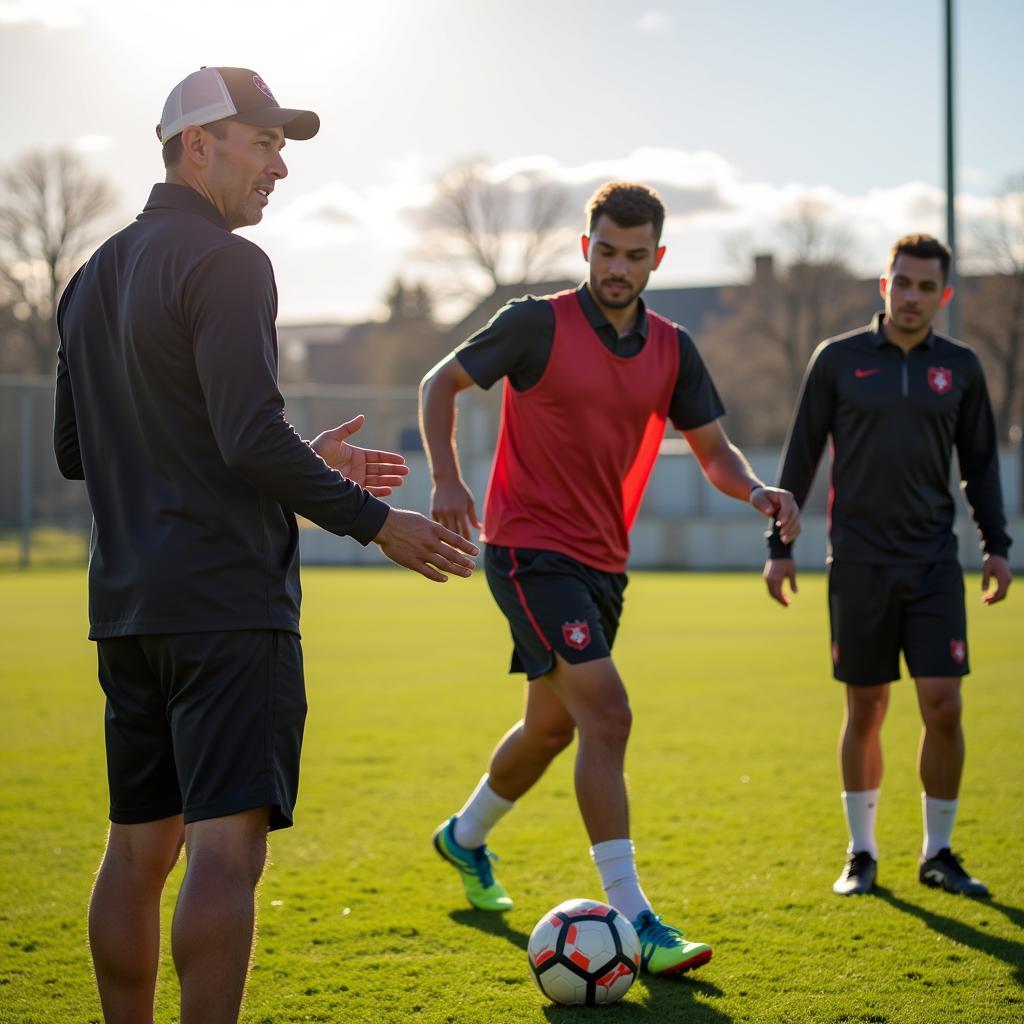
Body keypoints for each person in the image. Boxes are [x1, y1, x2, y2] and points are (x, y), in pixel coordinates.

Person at [54, 66, 477, 1024]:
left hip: (125, 612)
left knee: (135, 849)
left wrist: (301, 459)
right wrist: (379, 524)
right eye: (265, 142)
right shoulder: (231, 263)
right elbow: (246, 435)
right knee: (224, 852)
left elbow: (79, 451)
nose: (280, 166)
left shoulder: (88, 279)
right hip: (226, 608)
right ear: (196, 144)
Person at [419, 181, 800, 975]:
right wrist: (449, 480)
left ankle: (463, 837)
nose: (617, 267)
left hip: (602, 566)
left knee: (553, 729)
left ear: (657, 257)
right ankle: (636, 919)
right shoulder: (535, 323)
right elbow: (438, 385)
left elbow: (713, 451)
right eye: (605, 250)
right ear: (585, 245)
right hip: (528, 551)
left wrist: (757, 488)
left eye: (634, 255)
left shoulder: (672, 348)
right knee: (611, 715)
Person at [763, 234, 1012, 898]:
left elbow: (981, 463)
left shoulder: (958, 367)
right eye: (902, 283)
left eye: (926, 288)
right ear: (885, 284)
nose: (911, 297)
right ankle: (862, 853)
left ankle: (939, 852)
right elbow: (801, 457)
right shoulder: (838, 360)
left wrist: (997, 545)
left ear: (943, 296)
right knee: (866, 707)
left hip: (933, 562)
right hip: (859, 563)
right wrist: (779, 547)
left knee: (945, 706)